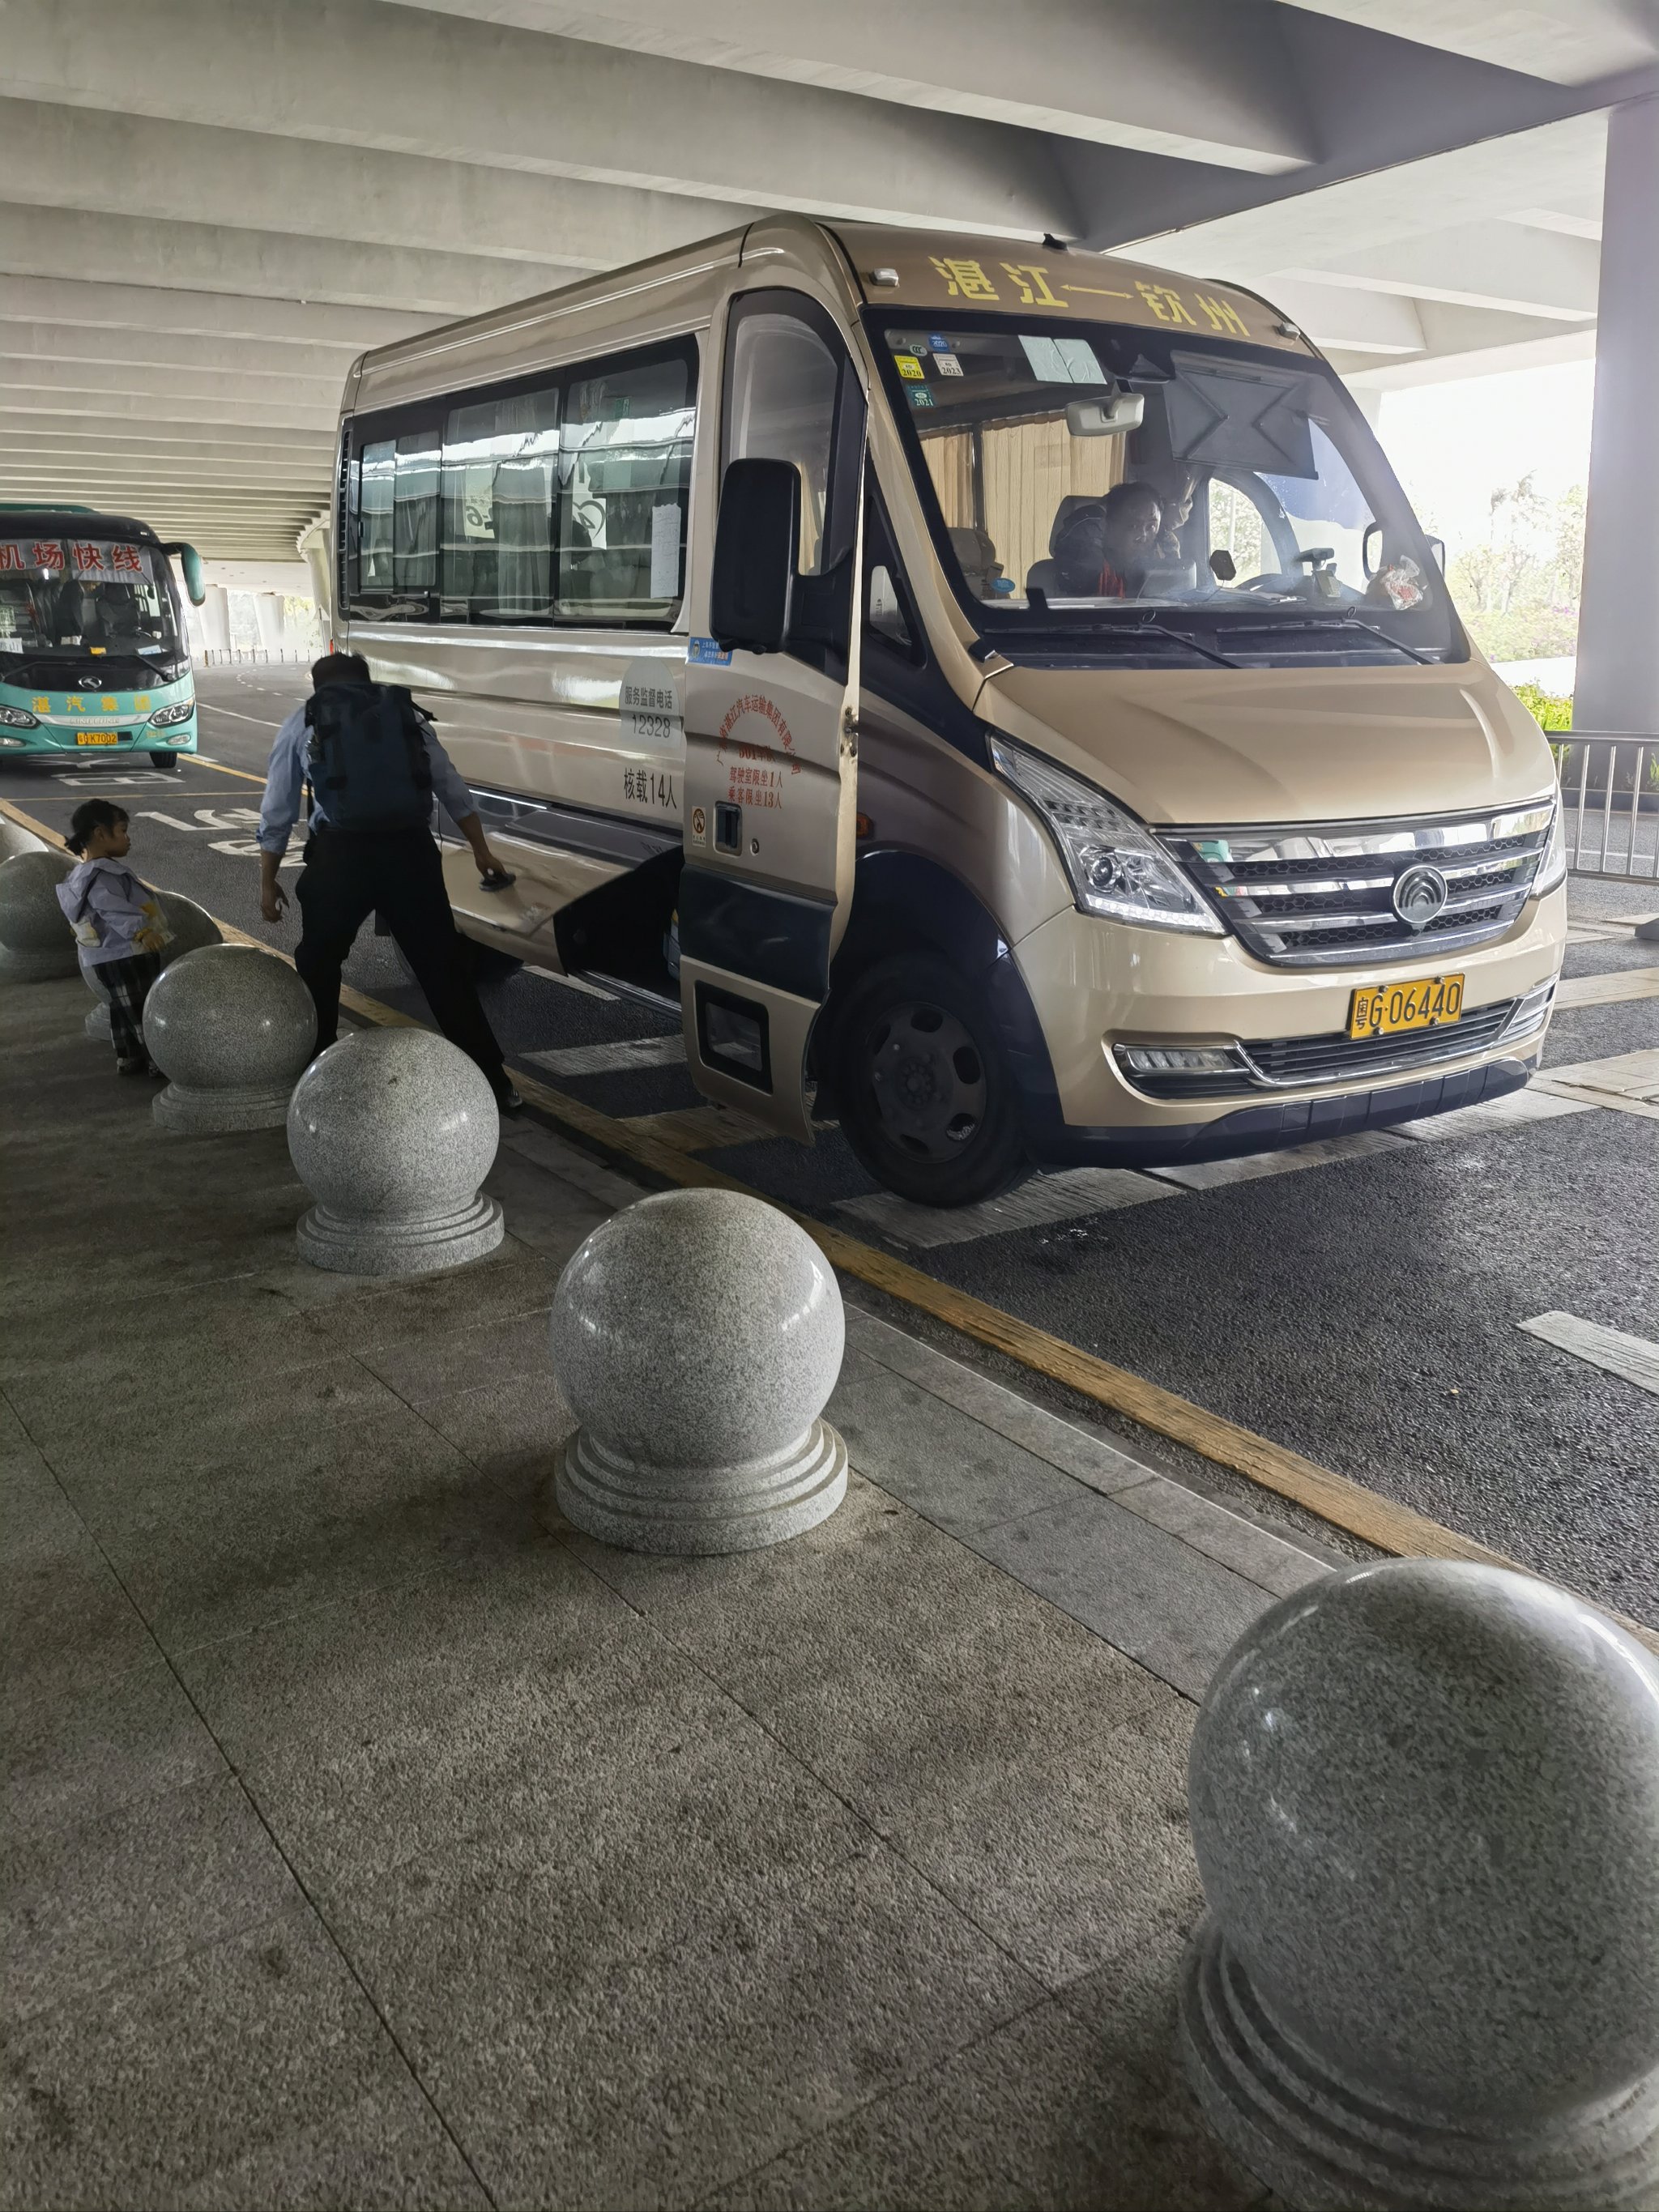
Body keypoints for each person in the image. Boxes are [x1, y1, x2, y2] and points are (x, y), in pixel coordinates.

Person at [257, 651, 522, 1112]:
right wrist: (481, 851)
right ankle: (495, 1085)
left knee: (320, 961)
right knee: (443, 968)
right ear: (367, 681)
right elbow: (450, 785)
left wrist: (268, 880)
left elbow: (277, 808)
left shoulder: (305, 719)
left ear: (319, 686)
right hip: (410, 853)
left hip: (342, 856)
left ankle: (318, 1073)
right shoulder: (406, 716)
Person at [56, 800, 170, 1077]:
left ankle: (128, 1057)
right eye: (122, 830)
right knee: (141, 1009)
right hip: (127, 952)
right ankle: (158, 1059)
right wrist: (142, 932)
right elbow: (112, 909)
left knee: (122, 1008)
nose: (127, 838)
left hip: (104, 956)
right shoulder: (102, 875)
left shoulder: (81, 875)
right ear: (100, 834)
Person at [1049, 480, 1162, 598]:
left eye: (1151, 526)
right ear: (1110, 524)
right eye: (1132, 525)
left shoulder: (1155, 573)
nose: (1143, 535)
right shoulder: (1091, 564)